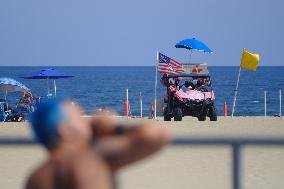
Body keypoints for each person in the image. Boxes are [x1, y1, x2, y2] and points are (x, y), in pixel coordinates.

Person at [25, 99, 170, 189]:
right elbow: (156, 135)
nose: (87, 122)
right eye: (80, 118)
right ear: (64, 131)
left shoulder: (35, 179)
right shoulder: (91, 158)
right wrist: (113, 127)